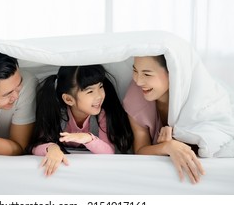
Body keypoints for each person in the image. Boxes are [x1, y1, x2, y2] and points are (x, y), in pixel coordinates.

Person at [27, 64, 133, 176]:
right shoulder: (56, 113)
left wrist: (88, 139)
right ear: (68, 99)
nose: (99, 96)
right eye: (90, 92)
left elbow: (108, 152)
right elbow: (35, 146)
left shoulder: (101, 115)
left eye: (101, 87)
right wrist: (51, 148)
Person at [123, 55, 205, 184]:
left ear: (172, 73)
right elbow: (140, 150)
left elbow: (205, 145)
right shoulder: (135, 97)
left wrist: (177, 142)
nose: (138, 81)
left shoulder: (196, 99)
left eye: (147, 74)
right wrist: (166, 147)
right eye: (135, 71)